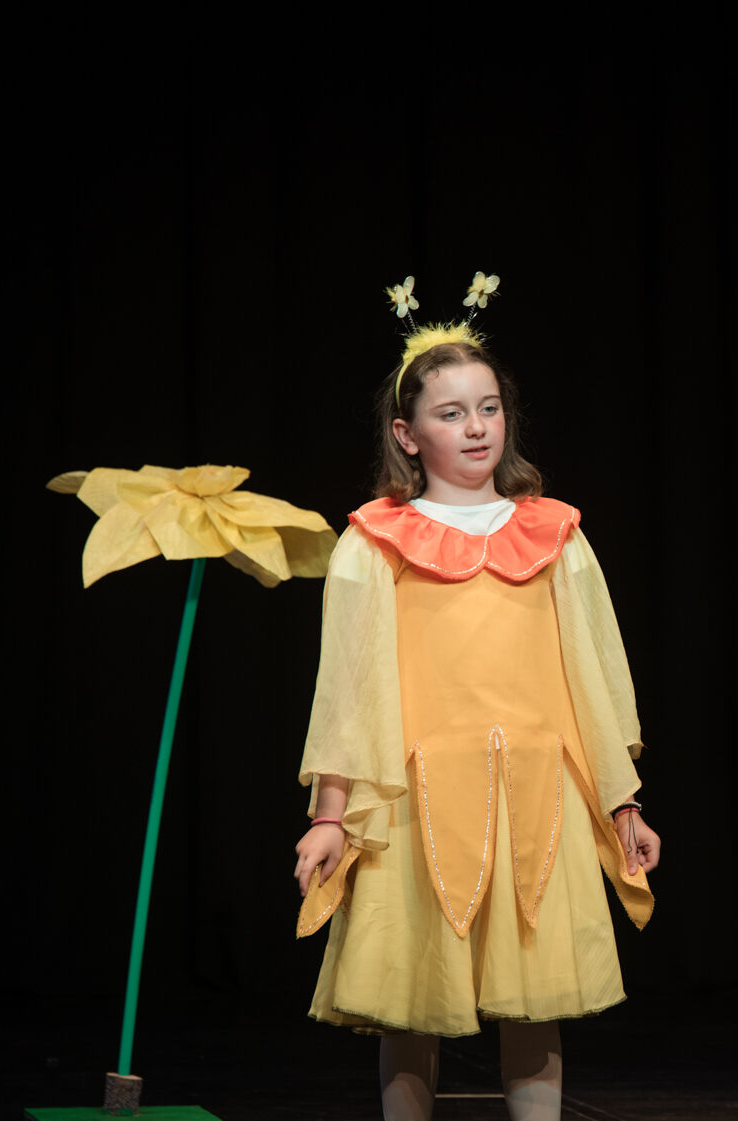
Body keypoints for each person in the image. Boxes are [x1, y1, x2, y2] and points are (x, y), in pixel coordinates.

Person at [292, 298, 659, 1121]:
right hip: (415, 799)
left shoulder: (554, 535)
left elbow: (594, 679)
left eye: (488, 408)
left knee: (535, 999)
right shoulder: (374, 543)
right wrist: (331, 814)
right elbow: (346, 690)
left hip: (536, 796)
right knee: (413, 1001)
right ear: (406, 433)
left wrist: (621, 801)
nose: (476, 427)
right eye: (451, 413)